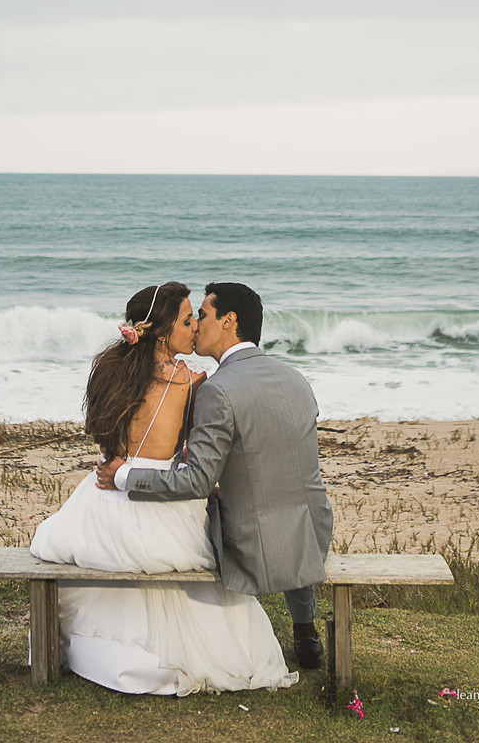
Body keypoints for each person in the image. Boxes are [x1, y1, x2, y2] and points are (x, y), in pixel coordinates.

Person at [30, 281, 297, 696]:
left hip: (104, 498)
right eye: (188, 321)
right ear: (162, 329)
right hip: (160, 502)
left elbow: (102, 436)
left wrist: (123, 465)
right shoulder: (193, 382)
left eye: (196, 320)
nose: (195, 330)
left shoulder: (109, 367)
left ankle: (105, 649)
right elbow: (195, 453)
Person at [97, 281, 334, 669]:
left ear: (229, 321)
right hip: (313, 534)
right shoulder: (296, 379)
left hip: (255, 545)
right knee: (284, 488)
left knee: (191, 514)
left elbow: (196, 483)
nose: (195, 326)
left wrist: (124, 476)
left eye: (202, 316)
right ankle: (304, 627)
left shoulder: (218, 390)